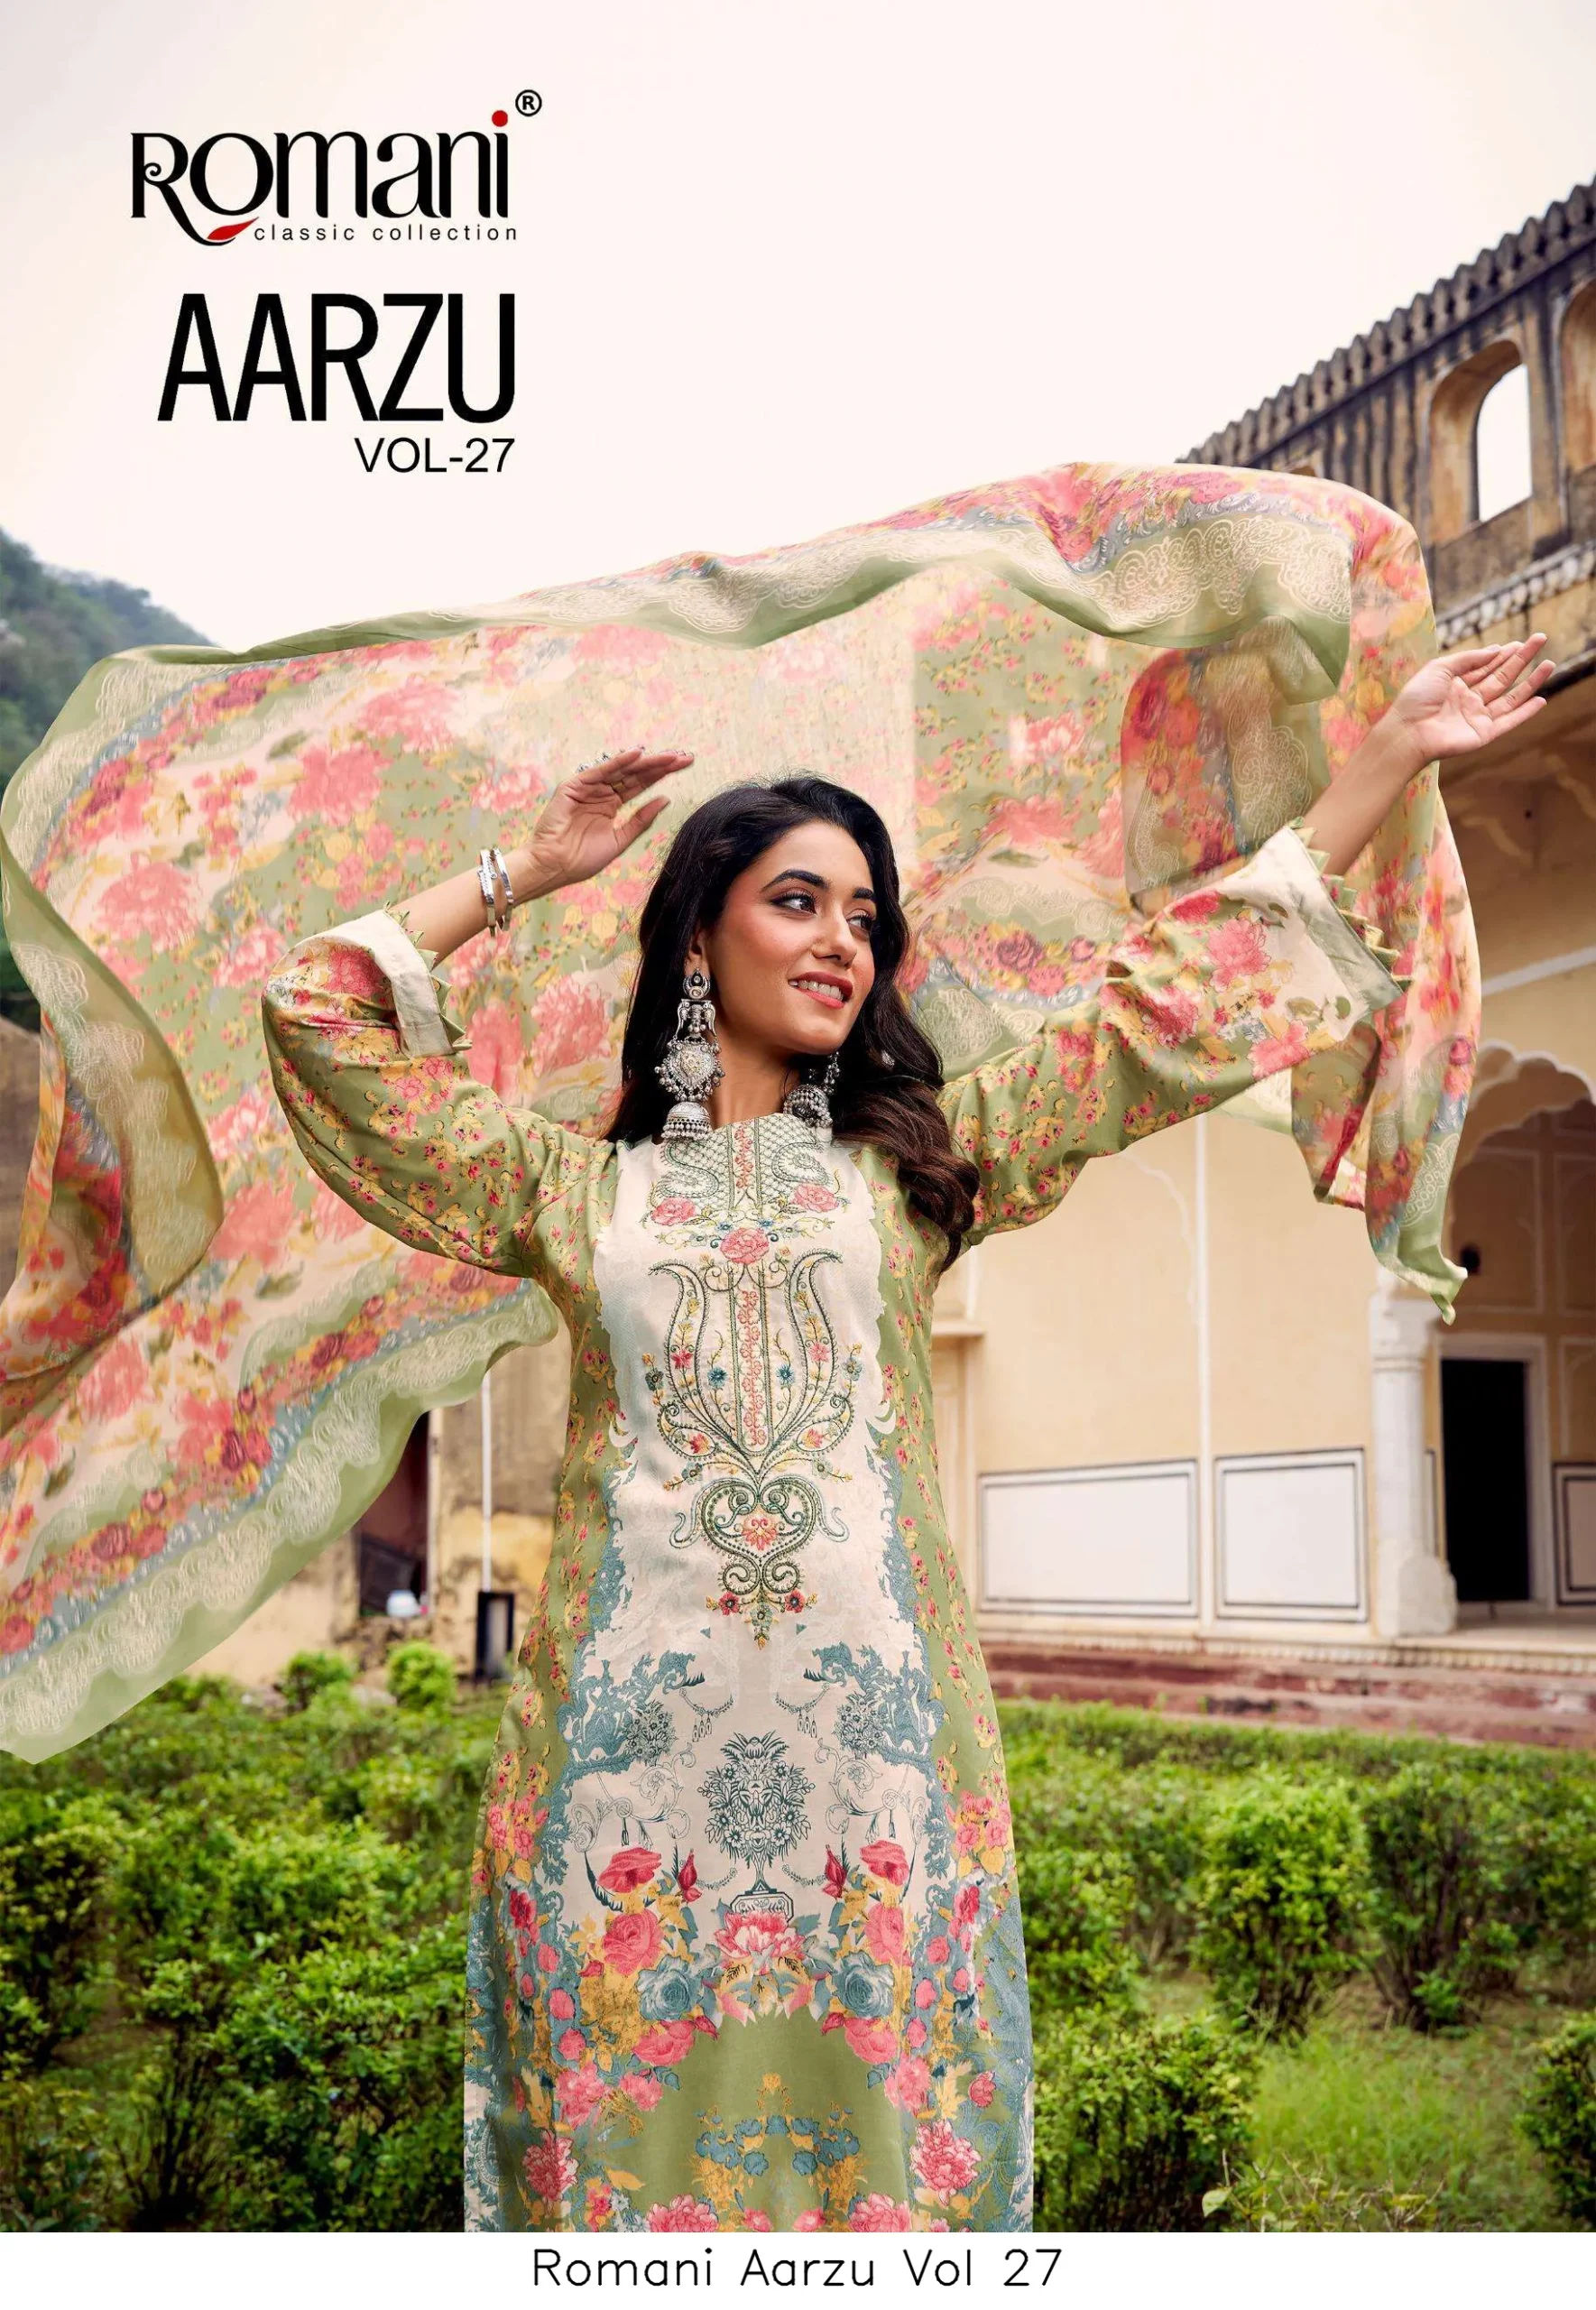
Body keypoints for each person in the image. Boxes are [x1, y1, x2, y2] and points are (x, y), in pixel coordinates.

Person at [260, 632, 1551, 2233]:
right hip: (622, 1797)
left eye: (866, 917)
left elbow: (1152, 1014)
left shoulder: (923, 1171)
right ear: (698, 938)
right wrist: (526, 867)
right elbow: (314, 1016)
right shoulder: (568, 1193)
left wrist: (1389, 757)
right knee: (618, 2196)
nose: (842, 943)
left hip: (880, 1778)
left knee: (884, 2199)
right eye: (799, 901)